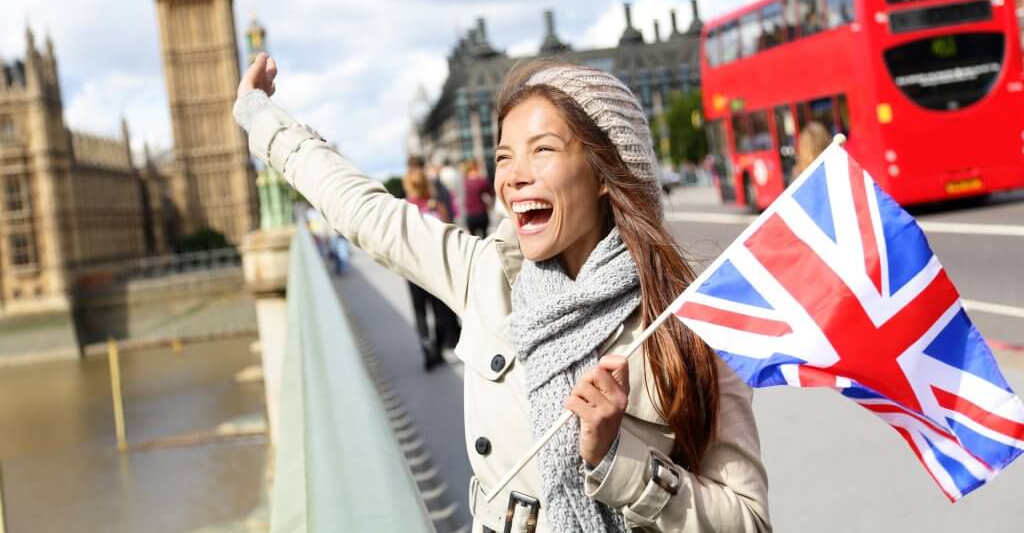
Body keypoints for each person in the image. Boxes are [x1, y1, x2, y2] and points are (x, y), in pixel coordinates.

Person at [234, 54, 771, 532]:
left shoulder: (687, 320)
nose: (513, 176)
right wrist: (262, 120)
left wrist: (619, 459)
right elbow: (365, 212)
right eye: (504, 156)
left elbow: (748, 520)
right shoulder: (486, 277)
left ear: (607, 172)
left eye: (542, 150)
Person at [402, 161, 459, 370]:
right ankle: (438, 346)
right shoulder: (436, 206)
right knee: (438, 308)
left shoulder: (405, 209)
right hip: (435, 267)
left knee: (419, 311)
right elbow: (449, 231)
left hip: (412, 267)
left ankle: (426, 348)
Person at [462, 159, 494, 238]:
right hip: (481, 212)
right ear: (476, 167)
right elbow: (491, 193)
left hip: (470, 214)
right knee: (484, 237)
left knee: (472, 239)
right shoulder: (481, 181)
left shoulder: (464, 181)